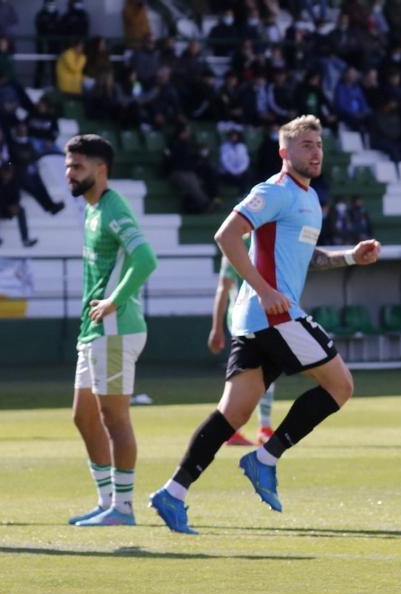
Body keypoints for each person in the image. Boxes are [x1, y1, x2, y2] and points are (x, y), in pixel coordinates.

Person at [148, 115, 382, 534]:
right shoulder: (273, 191)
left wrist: (350, 257)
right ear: (284, 152)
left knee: (232, 413)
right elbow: (226, 236)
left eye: (318, 145)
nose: (314, 151)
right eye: (305, 145)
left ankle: (173, 492)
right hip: (274, 315)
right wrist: (265, 290)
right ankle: (265, 457)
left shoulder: (309, 199)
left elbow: (305, 256)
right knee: (341, 385)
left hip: (256, 320)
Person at [64, 134, 158, 527]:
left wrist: (113, 301)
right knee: (83, 417)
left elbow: (145, 259)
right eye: (68, 166)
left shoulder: (114, 209)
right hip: (95, 332)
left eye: (78, 166)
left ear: (101, 170)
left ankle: (123, 509)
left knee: (114, 420)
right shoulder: (91, 209)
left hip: (116, 330)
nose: (69, 174)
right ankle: (106, 501)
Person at [210, 245, 276, 447]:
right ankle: (243, 428)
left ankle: (257, 428)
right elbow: (224, 287)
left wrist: (217, 328)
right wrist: (216, 328)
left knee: (256, 371)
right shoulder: (242, 242)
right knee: (255, 372)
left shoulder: (239, 241)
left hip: (252, 318)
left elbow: (223, 287)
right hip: (251, 318)